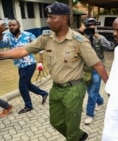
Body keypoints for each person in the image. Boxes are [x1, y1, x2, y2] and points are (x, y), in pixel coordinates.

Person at [0, 2, 109, 141]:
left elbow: (98, 64)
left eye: (52, 17)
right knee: (55, 122)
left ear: (64, 19)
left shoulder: (79, 41)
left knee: (71, 128)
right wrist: (1, 55)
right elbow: (22, 50)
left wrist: (110, 87)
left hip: (73, 90)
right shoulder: (46, 38)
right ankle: (79, 136)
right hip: (56, 89)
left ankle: (75, 136)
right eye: (48, 17)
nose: (48, 20)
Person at [0, 19, 48, 114]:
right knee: (28, 84)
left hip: (29, 64)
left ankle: (28, 106)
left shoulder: (28, 35)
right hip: (20, 65)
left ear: (19, 25)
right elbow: (1, 42)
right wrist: (0, 32)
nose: (12, 27)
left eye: (14, 25)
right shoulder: (8, 36)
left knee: (22, 86)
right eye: (10, 25)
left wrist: (40, 59)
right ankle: (44, 93)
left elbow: (38, 46)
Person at [79, 18, 112, 125]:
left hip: (98, 69)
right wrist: (81, 32)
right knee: (91, 91)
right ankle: (100, 101)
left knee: (92, 92)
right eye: (90, 25)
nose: (92, 27)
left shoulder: (99, 37)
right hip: (86, 69)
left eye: (94, 25)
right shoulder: (82, 38)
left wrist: (99, 37)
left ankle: (89, 114)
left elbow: (109, 47)